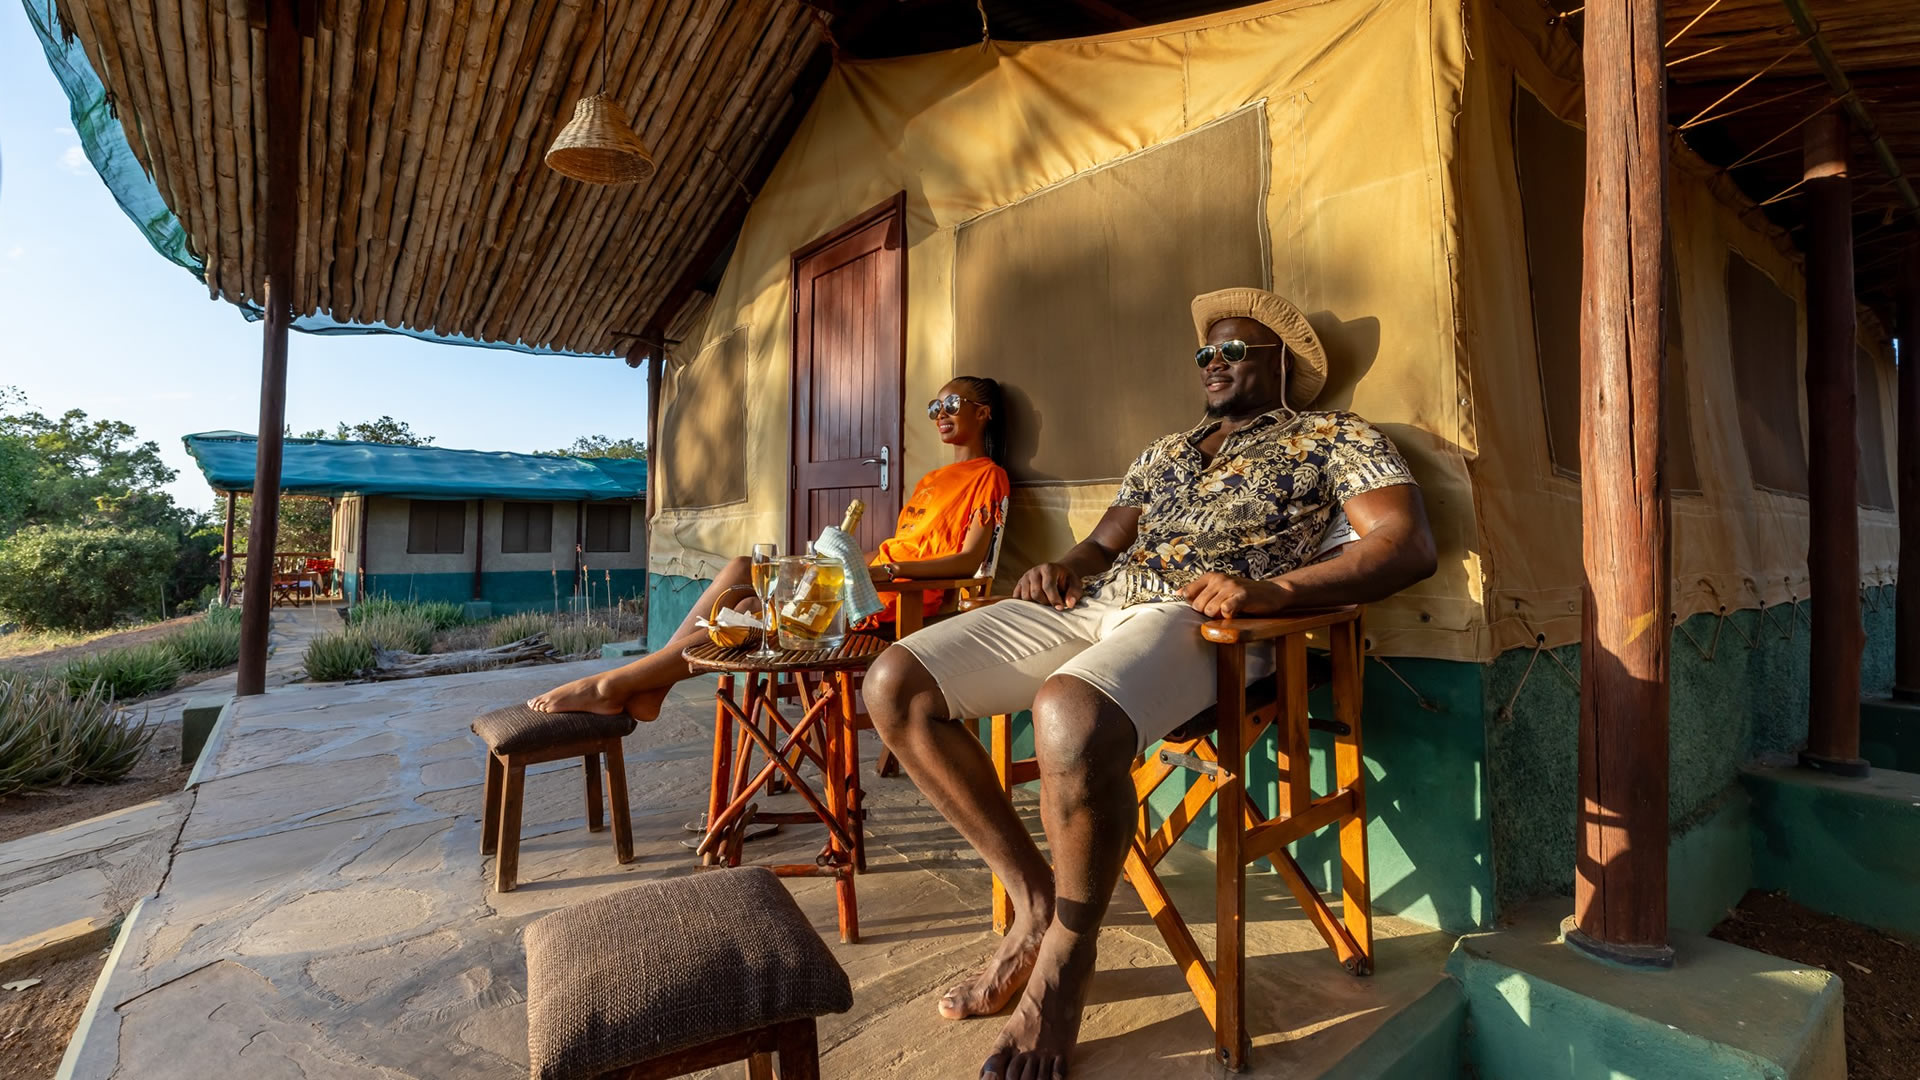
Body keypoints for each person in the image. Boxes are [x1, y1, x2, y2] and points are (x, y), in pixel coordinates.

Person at [863, 288, 1438, 1079]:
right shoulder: (1166, 450)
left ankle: (1067, 956)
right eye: (1205, 353)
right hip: (1101, 604)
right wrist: (1067, 566)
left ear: (1281, 366)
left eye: (1233, 351)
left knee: (1067, 714)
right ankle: (1035, 902)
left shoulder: (1332, 437)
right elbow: (1104, 541)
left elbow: (1405, 546)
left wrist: (1277, 591)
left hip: (1211, 621)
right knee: (896, 682)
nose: (1212, 363)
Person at [527, 376, 1012, 721]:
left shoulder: (989, 477)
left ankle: (626, 683)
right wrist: (842, 556)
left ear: (982, 413)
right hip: (873, 580)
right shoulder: (931, 480)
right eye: (935, 407)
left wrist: (883, 573)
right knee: (743, 569)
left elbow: (969, 561)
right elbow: (894, 546)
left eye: (953, 404)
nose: (941, 415)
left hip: (895, 601)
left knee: (744, 606)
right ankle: (644, 683)